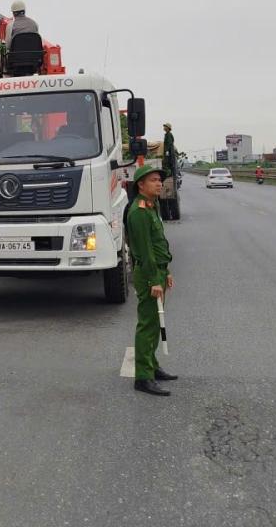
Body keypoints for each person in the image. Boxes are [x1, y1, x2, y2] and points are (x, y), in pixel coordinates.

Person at [126, 165, 177, 396]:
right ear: (141, 185)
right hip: (149, 275)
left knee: (156, 322)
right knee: (148, 324)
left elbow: (159, 244)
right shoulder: (138, 212)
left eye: (160, 180)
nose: (159, 183)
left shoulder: (151, 206)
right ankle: (143, 377)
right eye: (154, 180)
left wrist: (166, 271)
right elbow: (144, 251)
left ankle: (152, 366)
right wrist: (153, 280)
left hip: (158, 271)